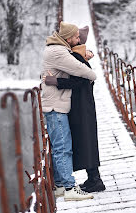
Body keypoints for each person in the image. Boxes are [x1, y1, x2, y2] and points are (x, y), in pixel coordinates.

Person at [43, 26, 105, 193]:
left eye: (79, 38)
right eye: (76, 37)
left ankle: (95, 179)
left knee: (85, 138)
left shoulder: (76, 55)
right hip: (79, 102)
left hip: (81, 103)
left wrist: (56, 82)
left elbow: (83, 80)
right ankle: (93, 178)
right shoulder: (74, 54)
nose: (78, 40)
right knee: (85, 139)